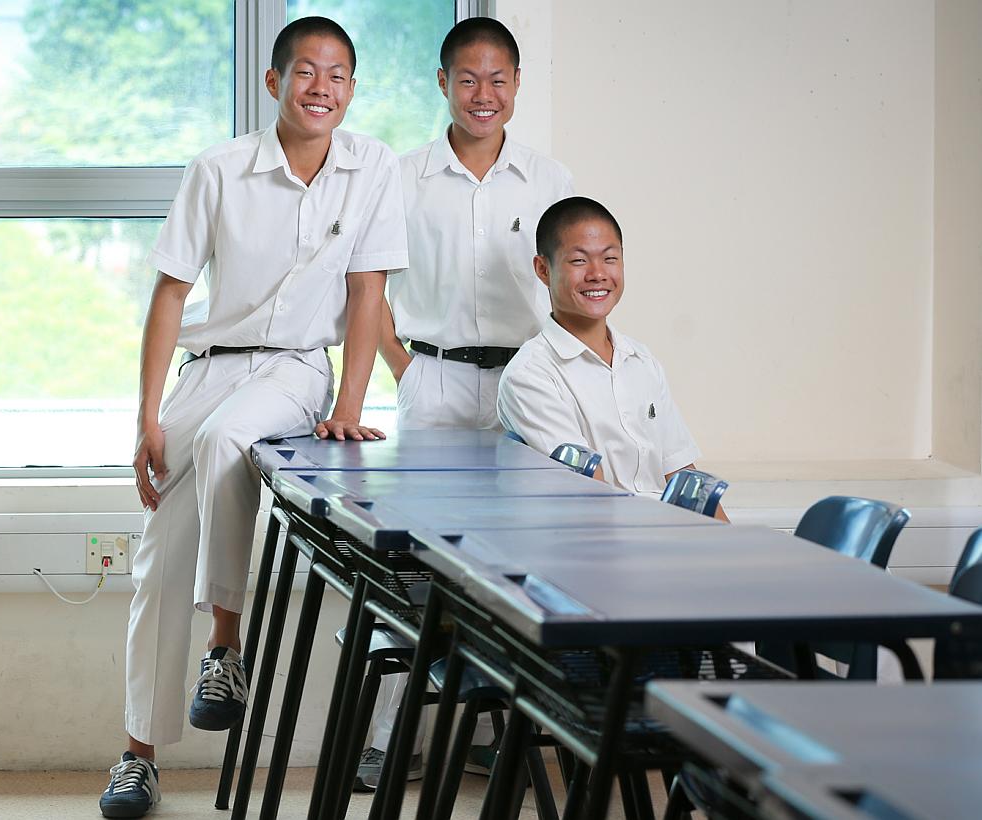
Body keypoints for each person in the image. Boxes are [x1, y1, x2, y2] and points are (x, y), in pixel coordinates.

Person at [100, 16, 409, 819]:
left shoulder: (373, 167)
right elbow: (170, 292)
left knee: (233, 439)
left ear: (351, 89)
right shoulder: (221, 169)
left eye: (339, 75)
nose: (322, 88)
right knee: (159, 560)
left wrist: (350, 405)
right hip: (210, 369)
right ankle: (139, 755)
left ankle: (224, 646)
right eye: (306, 72)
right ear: (274, 83)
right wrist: (145, 416)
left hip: (298, 368)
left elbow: (367, 292)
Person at [357, 16, 575, 791]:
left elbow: (573, 284)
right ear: (443, 83)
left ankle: (508, 735)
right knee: (417, 562)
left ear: (517, 86)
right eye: (469, 79)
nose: (485, 95)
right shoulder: (403, 177)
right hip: (437, 382)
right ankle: (389, 739)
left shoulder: (549, 180)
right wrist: (401, 367)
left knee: (522, 565)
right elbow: (370, 284)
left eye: (500, 80)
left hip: (529, 385)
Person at [497, 195, 726, 521]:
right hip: (604, 549)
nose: (597, 274)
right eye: (578, 261)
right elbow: (589, 497)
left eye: (610, 259)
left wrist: (733, 546)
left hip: (667, 540)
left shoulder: (641, 360)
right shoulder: (531, 375)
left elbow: (682, 476)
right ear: (543, 269)